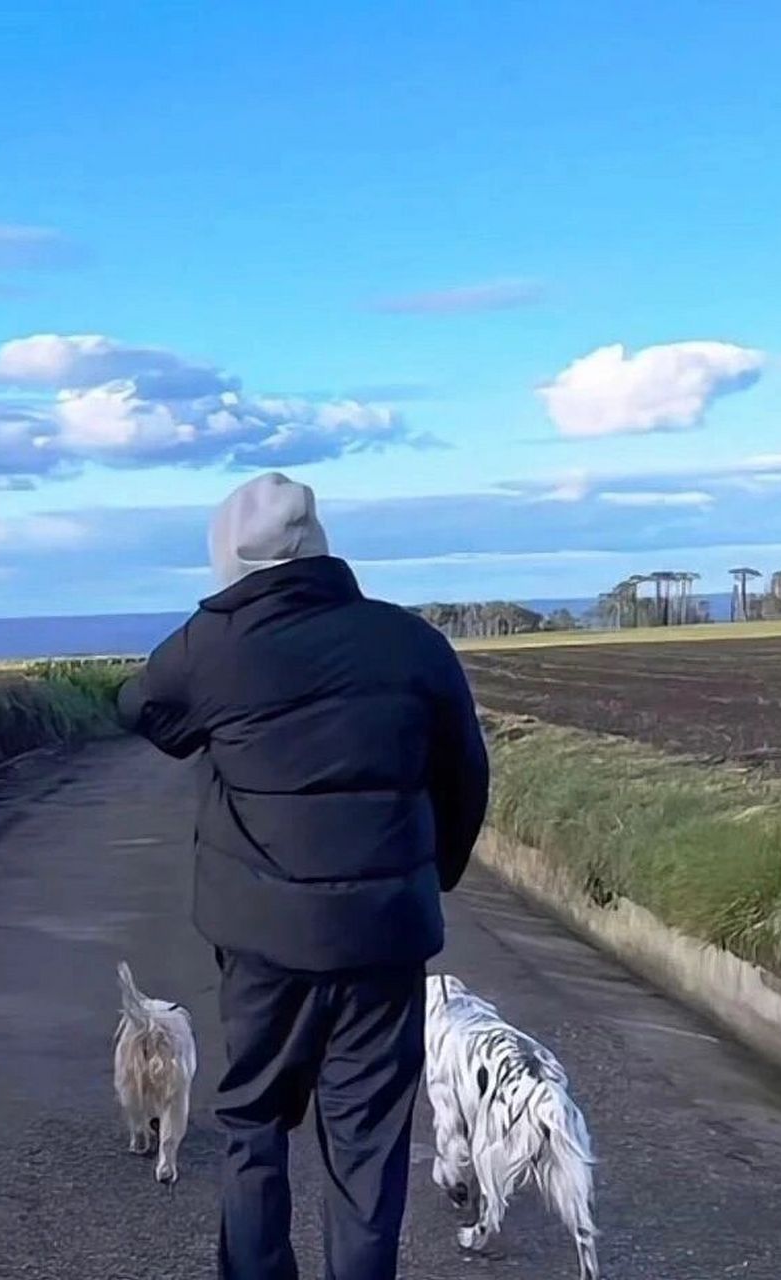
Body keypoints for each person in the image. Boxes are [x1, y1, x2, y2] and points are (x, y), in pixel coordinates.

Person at [117, 472, 490, 1280]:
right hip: (383, 945)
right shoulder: (411, 642)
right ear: (320, 545)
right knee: (367, 1151)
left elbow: (138, 705)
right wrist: (431, 878)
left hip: (262, 946)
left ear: (231, 561)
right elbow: (466, 775)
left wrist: (212, 730)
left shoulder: (213, 643)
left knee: (253, 1125)